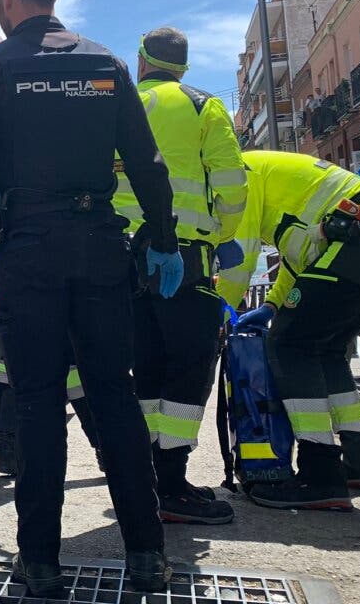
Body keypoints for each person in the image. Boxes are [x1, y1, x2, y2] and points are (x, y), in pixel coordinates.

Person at [0, 0, 182, 597]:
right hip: (100, 246)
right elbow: (147, 164)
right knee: (113, 396)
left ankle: (39, 566)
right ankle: (148, 558)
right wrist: (166, 240)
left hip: (27, 250)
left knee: (38, 403)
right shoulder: (106, 63)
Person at [217, 151, 360, 509]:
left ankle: (320, 474)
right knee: (326, 349)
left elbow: (238, 258)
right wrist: (272, 305)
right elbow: (300, 259)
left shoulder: (240, 173)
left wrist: (214, 309)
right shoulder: (278, 181)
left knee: (289, 345)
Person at [113, 27, 247, 525]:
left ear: (142, 61)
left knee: (144, 369)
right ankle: (170, 484)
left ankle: (148, 476)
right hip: (184, 260)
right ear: (183, 68)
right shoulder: (201, 106)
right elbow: (232, 186)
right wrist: (221, 233)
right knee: (188, 368)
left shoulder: (117, 102)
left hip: (121, 261)